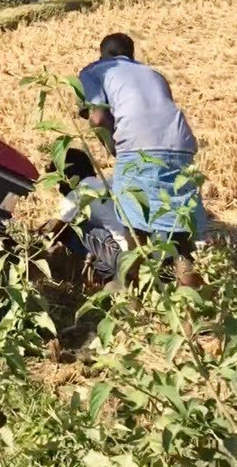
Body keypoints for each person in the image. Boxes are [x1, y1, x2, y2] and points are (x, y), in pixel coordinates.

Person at [78, 33, 206, 284]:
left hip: (138, 147)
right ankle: (194, 312)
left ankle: (132, 306)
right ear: (132, 54)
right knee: (181, 238)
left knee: (135, 234)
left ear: (103, 53)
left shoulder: (94, 71)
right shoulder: (154, 73)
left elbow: (98, 118)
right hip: (179, 143)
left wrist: (113, 146)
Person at [44, 149, 131, 286]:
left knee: (73, 228)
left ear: (67, 176)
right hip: (143, 248)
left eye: (59, 181)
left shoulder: (78, 194)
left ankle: (98, 274)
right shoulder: (109, 183)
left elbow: (55, 227)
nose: (59, 188)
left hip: (124, 257)